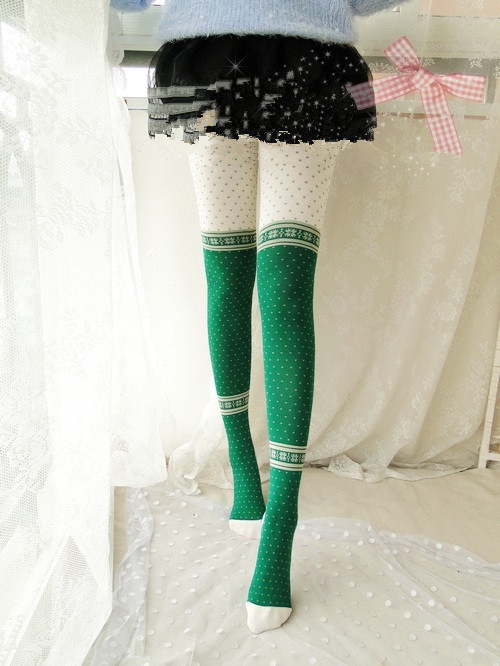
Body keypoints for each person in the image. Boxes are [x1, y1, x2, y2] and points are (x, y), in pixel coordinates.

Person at [111, 0, 411, 634]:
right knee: (225, 277)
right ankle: (244, 468)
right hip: (205, 57)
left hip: (308, 60)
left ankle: (283, 520)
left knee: (284, 288)